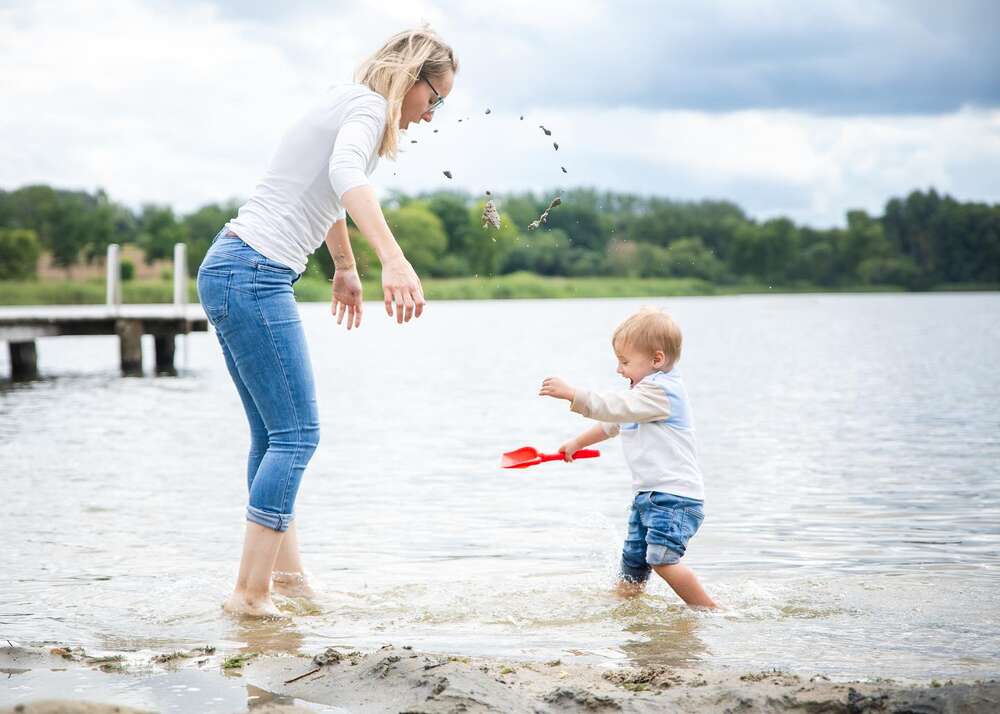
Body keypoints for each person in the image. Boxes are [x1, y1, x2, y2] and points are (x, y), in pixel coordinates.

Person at [196, 27, 458, 617]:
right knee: (297, 436)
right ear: (411, 76)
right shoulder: (367, 108)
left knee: (273, 437)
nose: (431, 114)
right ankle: (249, 594)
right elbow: (345, 176)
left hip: (231, 265)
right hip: (254, 271)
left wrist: (344, 265)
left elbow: (328, 194)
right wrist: (393, 258)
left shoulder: (343, 101)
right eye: (435, 98)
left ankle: (285, 580)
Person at [539, 308, 717, 608]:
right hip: (648, 497)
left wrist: (573, 394)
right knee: (633, 565)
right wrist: (577, 443)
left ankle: (710, 610)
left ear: (656, 359)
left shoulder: (663, 392)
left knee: (663, 560)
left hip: (675, 498)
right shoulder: (642, 395)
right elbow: (613, 423)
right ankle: (623, 609)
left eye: (625, 362)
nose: (619, 370)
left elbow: (615, 407)